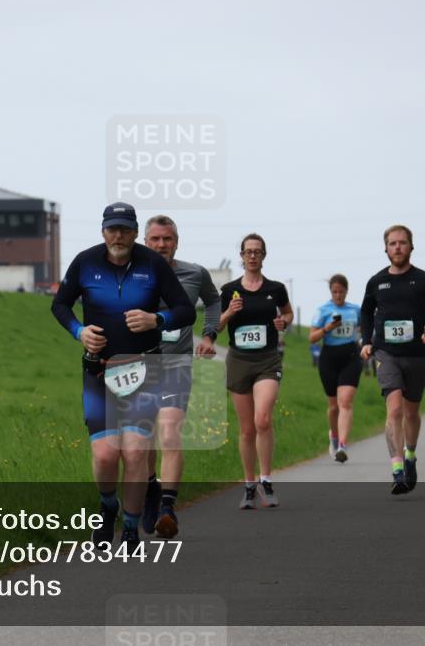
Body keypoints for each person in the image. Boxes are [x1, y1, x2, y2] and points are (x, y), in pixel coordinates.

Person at [51, 203, 195, 548]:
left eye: (125, 229)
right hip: (99, 370)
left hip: (144, 368)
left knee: (134, 453)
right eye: (112, 229)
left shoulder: (153, 264)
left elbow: (185, 310)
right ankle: (107, 507)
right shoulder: (85, 262)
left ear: (134, 233)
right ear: (103, 231)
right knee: (104, 454)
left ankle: (130, 527)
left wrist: (156, 321)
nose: (118, 235)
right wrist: (78, 331)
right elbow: (60, 304)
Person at [141, 215, 220, 539]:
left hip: (176, 365)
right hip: (138, 366)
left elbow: (214, 300)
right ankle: (150, 491)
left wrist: (209, 335)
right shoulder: (131, 274)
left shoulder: (194, 273)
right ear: (145, 242)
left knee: (170, 433)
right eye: (156, 239)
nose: (162, 245)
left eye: (168, 239)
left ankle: (168, 509)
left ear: (177, 241)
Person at [359, 225, 425, 495]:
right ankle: (397, 468)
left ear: (411, 247)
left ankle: (410, 455)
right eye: (392, 243)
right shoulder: (376, 281)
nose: (397, 247)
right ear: (385, 248)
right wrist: (366, 341)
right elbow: (366, 312)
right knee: (395, 410)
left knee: (411, 412)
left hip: (415, 354)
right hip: (385, 353)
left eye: (402, 243)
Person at [218, 234, 292, 509]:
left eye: (257, 252)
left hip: (267, 361)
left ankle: (266, 480)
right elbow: (217, 326)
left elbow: (287, 315)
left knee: (263, 419)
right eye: (248, 252)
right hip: (239, 361)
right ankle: (249, 486)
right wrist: (229, 312)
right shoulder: (229, 290)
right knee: (247, 429)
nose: (252, 256)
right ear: (241, 255)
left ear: (264, 255)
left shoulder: (276, 288)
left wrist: (282, 322)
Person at [309, 274, 362, 462]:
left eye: (341, 292)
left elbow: (365, 328)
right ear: (330, 292)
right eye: (334, 292)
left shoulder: (356, 309)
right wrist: (328, 328)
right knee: (333, 407)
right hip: (329, 358)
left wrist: (364, 341)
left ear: (347, 291)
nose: (338, 295)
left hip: (351, 356)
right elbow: (312, 337)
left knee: (345, 401)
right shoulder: (323, 310)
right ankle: (334, 437)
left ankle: (342, 445)